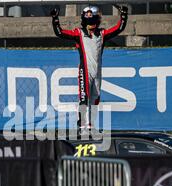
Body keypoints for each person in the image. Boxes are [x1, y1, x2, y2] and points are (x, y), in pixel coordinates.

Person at [50, 5, 128, 133]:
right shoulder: (78, 33)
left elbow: (119, 28)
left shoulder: (102, 34)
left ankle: (91, 125)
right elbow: (60, 33)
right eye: (87, 19)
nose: (90, 24)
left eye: (92, 19)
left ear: (97, 19)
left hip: (97, 72)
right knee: (83, 98)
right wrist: (55, 18)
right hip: (84, 72)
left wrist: (124, 15)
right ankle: (81, 127)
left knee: (95, 99)